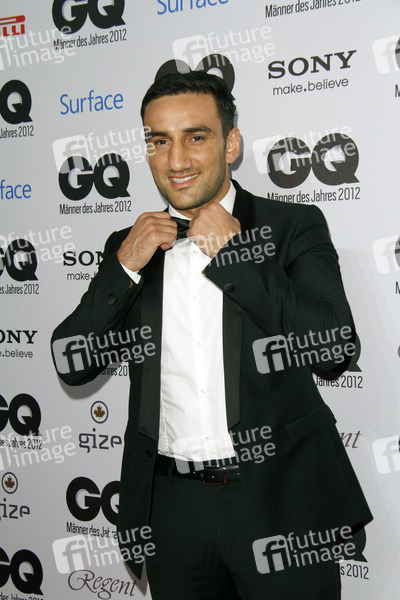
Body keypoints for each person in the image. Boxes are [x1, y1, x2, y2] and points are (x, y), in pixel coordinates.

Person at [51, 71, 371, 599]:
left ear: (232, 143)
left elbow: (334, 347)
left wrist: (237, 257)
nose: (176, 160)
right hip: (171, 511)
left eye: (195, 137)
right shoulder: (129, 244)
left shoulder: (292, 225)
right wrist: (124, 266)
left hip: (281, 501)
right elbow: (73, 362)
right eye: (159, 141)